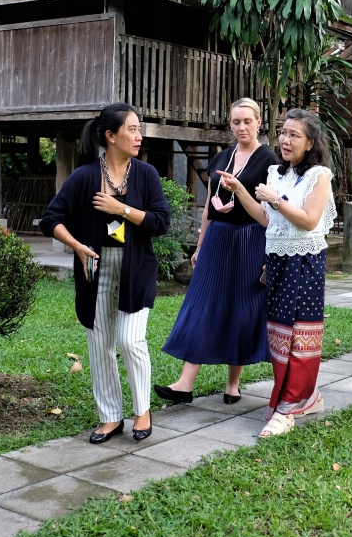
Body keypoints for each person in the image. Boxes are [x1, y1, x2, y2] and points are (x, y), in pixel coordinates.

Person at [39, 104, 171, 443]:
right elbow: (51, 219)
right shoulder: (85, 176)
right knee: (100, 346)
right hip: (96, 269)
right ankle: (110, 417)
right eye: (132, 129)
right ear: (111, 136)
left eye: (139, 129)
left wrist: (121, 209)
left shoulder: (146, 174)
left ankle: (142, 411)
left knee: (130, 340)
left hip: (136, 269)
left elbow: (161, 222)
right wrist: (77, 246)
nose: (139, 136)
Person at [154, 98, 279, 405]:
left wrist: (270, 257)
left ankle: (233, 384)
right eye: (236, 122)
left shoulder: (269, 160)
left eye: (247, 121)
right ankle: (184, 384)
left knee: (241, 309)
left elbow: (271, 214)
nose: (241, 127)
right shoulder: (222, 157)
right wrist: (200, 245)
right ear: (230, 124)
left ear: (259, 122)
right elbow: (209, 204)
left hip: (250, 239)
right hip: (217, 239)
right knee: (202, 303)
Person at [225, 108, 336, 438]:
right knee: (279, 335)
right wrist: (240, 190)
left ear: (310, 143)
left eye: (294, 135)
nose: (285, 140)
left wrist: (275, 200)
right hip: (275, 260)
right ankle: (305, 397)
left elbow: (309, 220)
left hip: (305, 263)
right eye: (283, 133)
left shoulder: (319, 175)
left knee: (300, 335)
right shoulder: (276, 173)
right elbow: (265, 218)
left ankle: (289, 406)